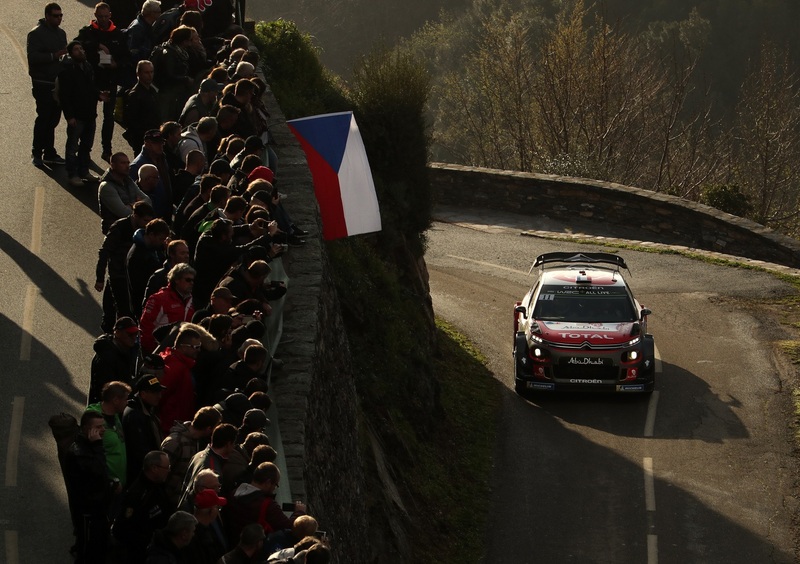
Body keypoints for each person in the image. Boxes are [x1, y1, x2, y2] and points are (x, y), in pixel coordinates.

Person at [75, 2, 132, 161]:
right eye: (100, 16)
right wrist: (97, 45)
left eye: (106, 16)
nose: (103, 19)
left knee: (108, 118)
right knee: (88, 116)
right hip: (92, 82)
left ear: (110, 15)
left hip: (110, 80)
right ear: (95, 16)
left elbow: (127, 57)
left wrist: (116, 64)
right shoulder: (87, 32)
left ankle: (107, 150)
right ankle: (84, 149)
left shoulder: (118, 34)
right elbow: (75, 45)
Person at [95, 200, 155, 331]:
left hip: (131, 278)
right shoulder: (120, 227)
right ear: (135, 216)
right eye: (145, 220)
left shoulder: (145, 231)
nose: (147, 225)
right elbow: (105, 251)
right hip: (118, 276)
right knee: (113, 313)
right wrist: (100, 277)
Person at [63, 410, 113, 564]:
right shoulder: (80, 451)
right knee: (88, 551)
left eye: (103, 426)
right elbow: (98, 471)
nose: (102, 430)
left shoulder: (89, 446)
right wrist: (98, 445)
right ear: (86, 429)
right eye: (98, 427)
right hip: (87, 512)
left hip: (99, 508)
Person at [58, 40, 107, 187]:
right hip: (77, 116)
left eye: (81, 49)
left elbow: (91, 87)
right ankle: (72, 174)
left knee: (86, 146)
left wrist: (99, 95)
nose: (81, 51)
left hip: (89, 114)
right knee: (73, 147)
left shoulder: (87, 67)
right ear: (71, 53)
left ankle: (84, 171)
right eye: (77, 49)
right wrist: (69, 116)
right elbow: (65, 96)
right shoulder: (67, 71)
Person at [112, 450, 175, 563]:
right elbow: (124, 529)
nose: (169, 470)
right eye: (167, 467)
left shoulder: (158, 485)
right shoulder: (137, 495)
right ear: (154, 468)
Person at [224, 462, 306, 544]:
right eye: (275, 484)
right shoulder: (267, 505)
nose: (274, 488)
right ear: (268, 482)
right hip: (254, 549)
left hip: (232, 543)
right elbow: (288, 526)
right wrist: (299, 512)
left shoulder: (234, 493)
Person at [27, 2, 67, 167]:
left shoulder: (61, 33)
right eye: (56, 16)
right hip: (42, 82)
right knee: (43, 117)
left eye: (60, 16)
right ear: (47, 16)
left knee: (53, 119)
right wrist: (54, 55)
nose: (59, 19)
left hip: (57, 83)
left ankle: (49, 151)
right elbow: (33, 57)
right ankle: (37, 152)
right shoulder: (36, 34)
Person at [161, 405, 221, 505]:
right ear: (208, 428)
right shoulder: (175, 442)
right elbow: (161, 474)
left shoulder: (197, 442)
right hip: (167, 500)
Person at [140, 262, 196, 353]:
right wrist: (151, 353)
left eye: (193, 280)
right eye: (188, 280)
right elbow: (146, 328)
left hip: (180, 353)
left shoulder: (190, 300)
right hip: (160, 352)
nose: (192, 283)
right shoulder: (159, 299)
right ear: (177, 280)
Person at [179, 423, 237, 507]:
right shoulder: (212, 470)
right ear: (228, 444)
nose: (234, 447)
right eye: (233, 443)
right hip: (197, 513)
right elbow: (206, 501)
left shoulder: (199, 455)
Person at [87, 380, 132, 487]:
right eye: (125, 399)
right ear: (116, 400)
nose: (127, 402)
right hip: (105, 485)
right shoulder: (94, 420)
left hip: (118, 484)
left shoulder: (115, 415)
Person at [158, 327, 202, 435]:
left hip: (176, 424)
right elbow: (161, 395)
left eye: (199, 346)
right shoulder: (175, 367)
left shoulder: (181, 364)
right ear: (183, 347)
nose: (198, 350)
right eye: (195, 347)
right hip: (171, 426)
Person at [122, 375, 166, 481]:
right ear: (143, 394)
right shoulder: (134, 416)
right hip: (138, 474)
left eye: (159, 392)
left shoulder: (148, 409)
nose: (159, 396)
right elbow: (139, 451)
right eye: (155, 393)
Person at [88, 316, 140, 404]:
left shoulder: (126, 349)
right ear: (117, 333)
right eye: (130, 334)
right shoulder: (105, 358)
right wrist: (138, 382)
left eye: (136, 333)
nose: (134, 337)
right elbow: (108, 392)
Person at [99, 152, 153, 233]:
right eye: (123, 163)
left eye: (128, 163)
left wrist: (131, 205)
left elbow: (148, 200)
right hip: (116, 232)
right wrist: (137, 204)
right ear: (112, 165)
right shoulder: (107, 187)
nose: (127, 166)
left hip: (132, 228)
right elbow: (123, 212)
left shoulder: (128, 180)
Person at [127, 217, 170, 317]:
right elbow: (139, 285)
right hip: (142, 304)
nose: (163, 242)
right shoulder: (137, 255)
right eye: (160, 239)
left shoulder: (154, 248)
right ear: (151, 235)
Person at [131, 129, 174, 219]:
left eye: (162, 143)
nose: (161, 145)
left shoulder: (162, 159)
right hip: (151, 216)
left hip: (166, 211)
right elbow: (133, 193)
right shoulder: (137, 166)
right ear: (147, 143)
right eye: (157, 143)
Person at [123, 59, 162, 154]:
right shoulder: (135, 95)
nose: (150, 75)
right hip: (142, 140)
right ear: (138, 74)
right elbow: (131, 121)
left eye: (151, 72)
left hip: (155, 136)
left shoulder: (153, 91)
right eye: (146, 72)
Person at [185, 489, 229, 563]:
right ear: (211, 511)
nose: (218, 511)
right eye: (218, 508)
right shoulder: (197, 538)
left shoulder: (191, 530)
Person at [145, 239, 191, 303]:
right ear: (172, 254)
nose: (187, 256)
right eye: (182, 253)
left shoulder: (191, 276)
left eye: (187, 253)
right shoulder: (159, 277)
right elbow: (149, 303)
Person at [127, 0, 162, 67]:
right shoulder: (138, 28)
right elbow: (133, 51)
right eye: (159, 12)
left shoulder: (147, 26)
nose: (160, 14)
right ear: (152, 13)